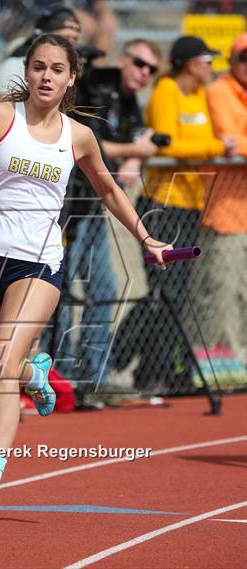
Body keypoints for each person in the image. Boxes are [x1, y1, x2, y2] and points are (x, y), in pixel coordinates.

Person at [0, 33, 171, 519]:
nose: (46, 77)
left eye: (57, 69)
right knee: (4, 370)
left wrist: (146, 238)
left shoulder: (78, 135)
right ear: (27, 70)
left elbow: (110, 191)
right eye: (38, 67)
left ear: (71, 78)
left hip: (37, 262)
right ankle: (36, 370)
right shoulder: (0, 117)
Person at [118, 35, 237, 393]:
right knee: (164, 290)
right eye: (206, 60)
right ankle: (127, 358)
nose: (211, 67)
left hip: (190, 204)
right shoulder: (167, 90)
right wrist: (215, 148)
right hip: (162, 204)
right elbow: (168, 142)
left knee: (177, 292)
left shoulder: (200, 94)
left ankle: (163, 369)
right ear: (190, 63)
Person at [52, 39, 161, 401]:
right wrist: (134, 151)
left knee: (105, 290)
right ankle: (64, 377)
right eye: (139, 63)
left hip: (95, 204)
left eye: (151, 69)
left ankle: (93, 379)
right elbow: (92, 144)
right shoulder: (92, 91)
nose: (144, 73)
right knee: (63, 293)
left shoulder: (128, 100)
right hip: (69, 206)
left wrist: (136, 157)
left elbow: (137, 141)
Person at [190, 33, 247, 369]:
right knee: (221, 293)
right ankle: (223, 366)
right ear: (232, 60)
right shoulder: (219, 92)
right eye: (244, 57)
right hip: (225, 211)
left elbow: (238, 143)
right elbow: (229, 142)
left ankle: (240, 362)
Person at [0, 3, 81, 101]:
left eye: (75, 39)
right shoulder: (14, 65)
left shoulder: (71, 72)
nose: (70, 45)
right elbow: (6, 107)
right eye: (64, 38)